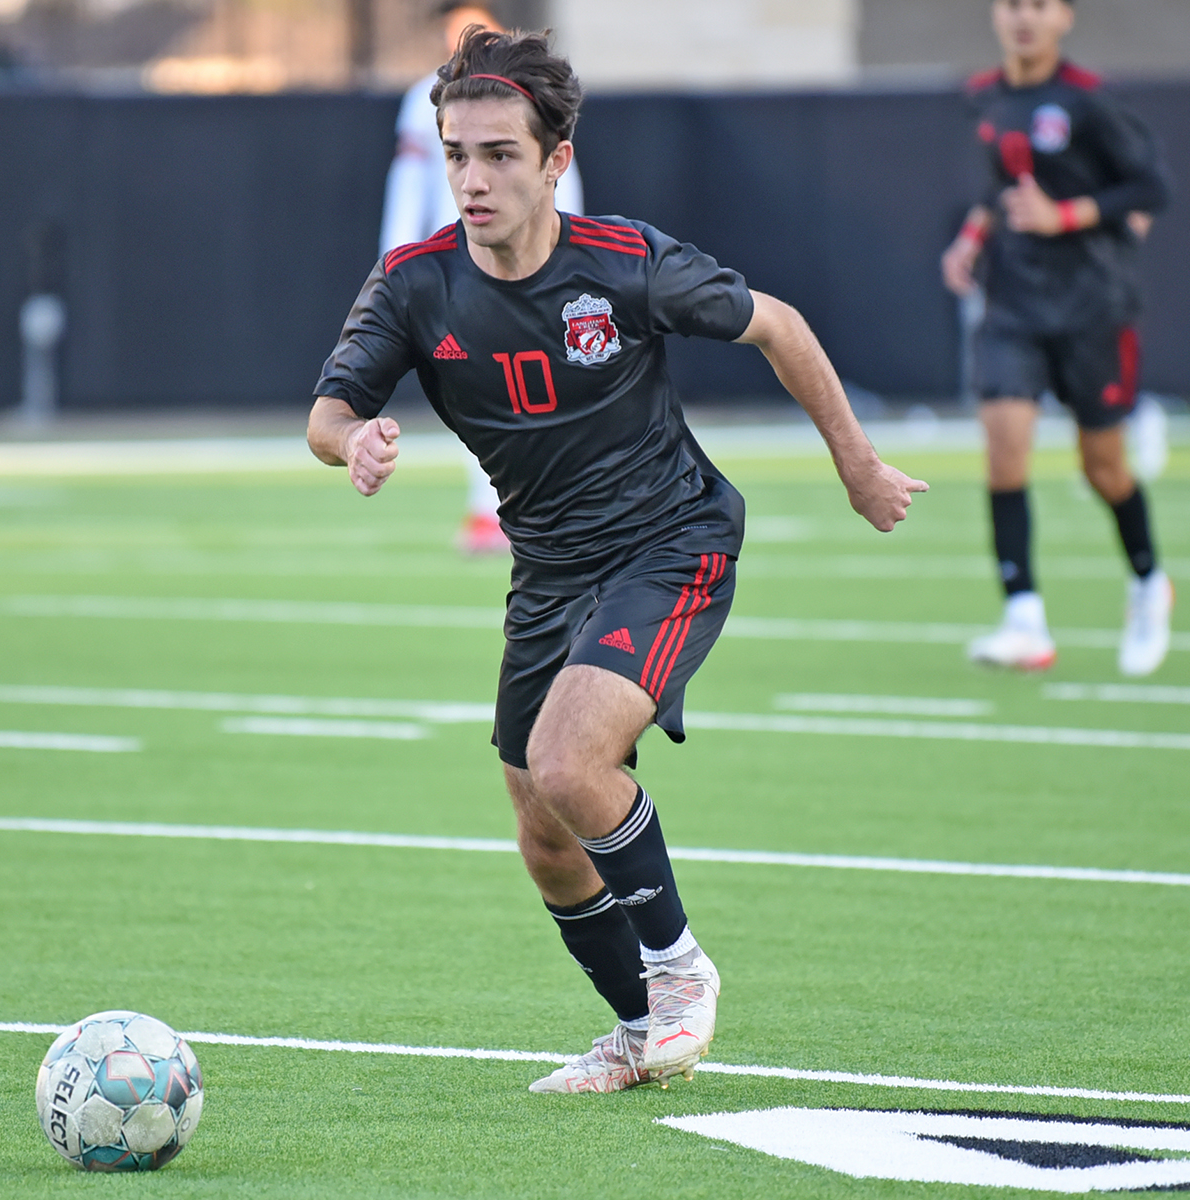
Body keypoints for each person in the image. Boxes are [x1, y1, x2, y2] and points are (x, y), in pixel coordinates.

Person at [309, 27, 926, 1093]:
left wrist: (859, 466)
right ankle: (642, 1033)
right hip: (548, 572)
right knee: (543, 831)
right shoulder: (414, 284)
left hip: (669, 540)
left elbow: (777, 325)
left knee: (567, 762)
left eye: (500, 153)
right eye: (457, 152)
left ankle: (681, 973)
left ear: (555, 161)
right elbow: (326, 412)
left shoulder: (625, 264)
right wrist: (351, 442)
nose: (473, 177)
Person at [942, 0, 1172, 676]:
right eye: (1013, 5)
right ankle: (1024, 618)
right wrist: (971, 238)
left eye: (1039, 6)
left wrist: (1066, 214)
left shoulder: (1090, 102)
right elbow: (1001, 186)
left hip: (1093, 307)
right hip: (1014, 306)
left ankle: (1148, 581)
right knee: (1004, 448)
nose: (1024, 19)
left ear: (1064, 17)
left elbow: (1151, 187)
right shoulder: (983, 97)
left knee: (1102, 467)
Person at [381, 3, 583, 556]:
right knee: (483, 392)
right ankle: (492, 511)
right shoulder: (426, 98)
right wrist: (396, 262)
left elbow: (560, 179)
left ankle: (550, 506)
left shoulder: (530, 106)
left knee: (549, 389)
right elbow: (409, 187)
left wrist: (567, 259)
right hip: (458, 272)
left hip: (530, 268)